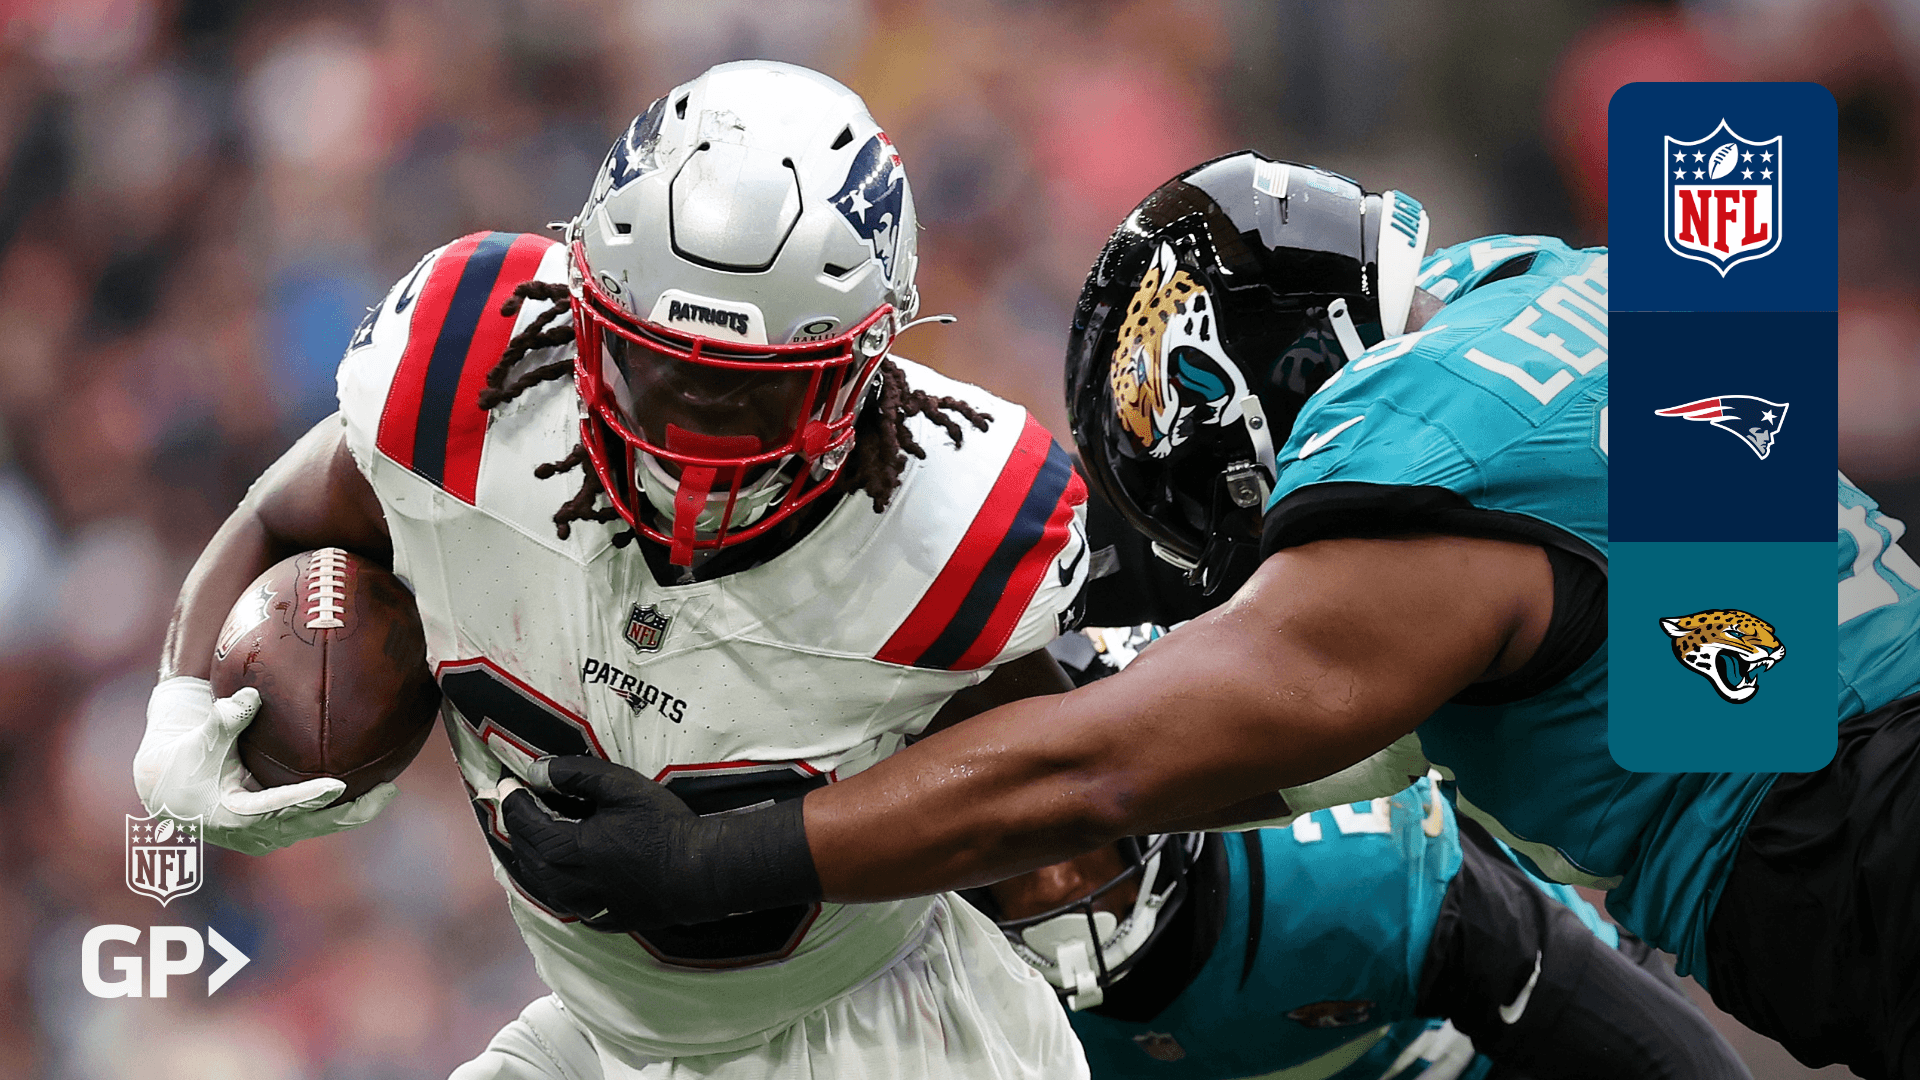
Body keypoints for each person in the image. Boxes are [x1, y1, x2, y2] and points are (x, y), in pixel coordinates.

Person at [484, 152, 1920, 1078]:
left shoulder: (1412, 466)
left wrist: (719, 858)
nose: (1253, 567)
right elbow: (1741, 651)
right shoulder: (1556, 289)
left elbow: (1102, 769)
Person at [131, 61, 1096, 1080]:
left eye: (752, 392)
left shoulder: (942, 530)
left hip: (876, 1033)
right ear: (584, 311)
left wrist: (725, 864)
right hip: (605, 1038)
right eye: (657, 367)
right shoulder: (469, 384)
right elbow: (281, 514)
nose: (692, 435)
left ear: (866, 364)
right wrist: (180, 700)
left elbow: (1043, 788)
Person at [961, 627, 1747, 1080]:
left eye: (1076, 838)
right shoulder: (965, 990)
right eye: (1007, 870)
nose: (1058, 884)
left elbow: (1661, 1054)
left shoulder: (1345, 873)